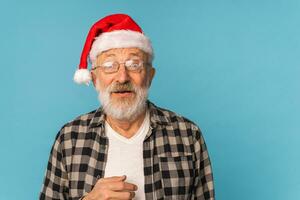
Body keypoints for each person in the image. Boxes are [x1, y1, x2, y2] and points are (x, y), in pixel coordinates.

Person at [40, 14, 215, 200]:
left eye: (134, 64)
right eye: (109, 65)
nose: (122, 77)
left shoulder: (187, 134)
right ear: (94, 78)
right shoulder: (70, 138)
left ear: (150, 75)